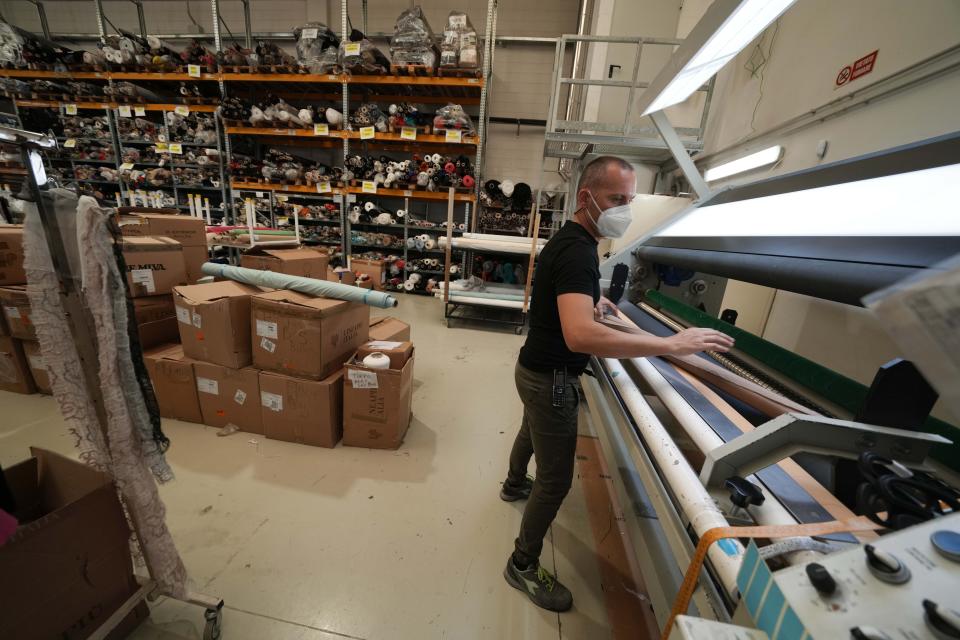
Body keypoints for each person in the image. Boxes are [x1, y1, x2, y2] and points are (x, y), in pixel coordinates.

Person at [500, 156, 735, 612]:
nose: (624, 210)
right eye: (616, 200)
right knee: (555, 481)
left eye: (629, 200)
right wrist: (668, 346)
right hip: (551, 379)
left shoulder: (571, 243)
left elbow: (566, 308)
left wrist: (593, 301)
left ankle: (512, 484)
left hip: (533, 369)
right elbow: (579, 335)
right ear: (586, 197)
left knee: (531, 430)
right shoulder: (579, 252)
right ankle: (522, 564)